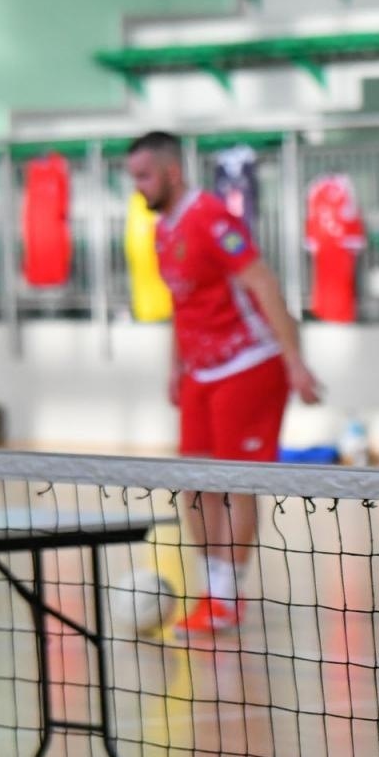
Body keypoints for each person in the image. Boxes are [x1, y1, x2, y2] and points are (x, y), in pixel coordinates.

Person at [125, 131, 322, 640]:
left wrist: (295, 360)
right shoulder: (162, 231)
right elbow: (181, 305)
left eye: (144, 175)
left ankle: (227, 600)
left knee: (234, 484)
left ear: (171, 173)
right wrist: (175, 367)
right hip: (200, 371)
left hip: (250, 365)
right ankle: (212, 593)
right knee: (193, 485)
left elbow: (262, 282)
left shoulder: (212, 217)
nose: (137, 186)